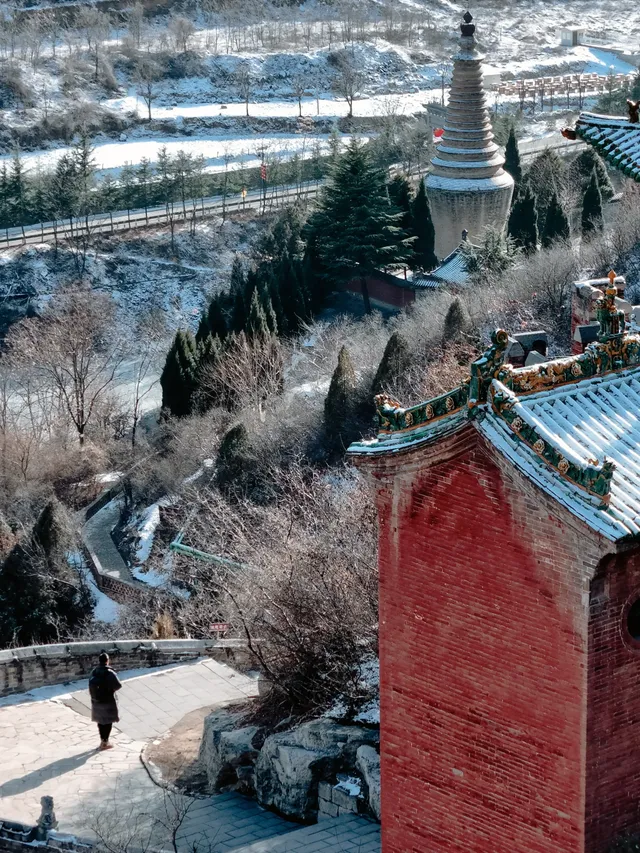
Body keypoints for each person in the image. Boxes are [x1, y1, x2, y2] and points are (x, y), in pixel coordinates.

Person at [88, 652, 122, 751]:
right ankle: (105, 742)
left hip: (96, 700)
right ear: (107, 661)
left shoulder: (94, 672)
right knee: (108, 721)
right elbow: (118, 685)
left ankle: (102, 740)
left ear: (99, 661)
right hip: (107, 700)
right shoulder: (110, 673)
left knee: (100, 721)